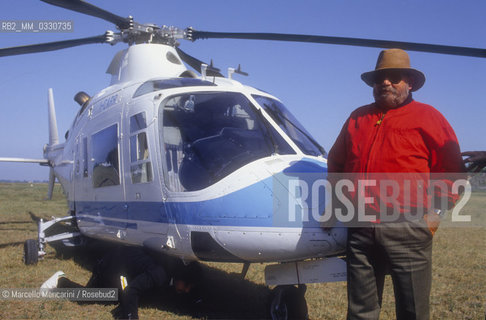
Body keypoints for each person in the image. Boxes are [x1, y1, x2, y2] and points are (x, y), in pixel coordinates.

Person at [327, 48, 465, 319]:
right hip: (361, 228)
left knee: (412, 309)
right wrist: (334, 205)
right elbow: (336, 163)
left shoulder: (429, 117)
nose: (385, 82)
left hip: (409, 227)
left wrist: (436, 213)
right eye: (380, 79)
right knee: (360, 311)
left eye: (394, 77)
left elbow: (453, 171)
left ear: (409, 83)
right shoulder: (357, 118)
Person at [43, 244, 203, 319]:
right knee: (92, 298)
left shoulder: (172, 272)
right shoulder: (160, 274)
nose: (187, 290)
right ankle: (61, 281)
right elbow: (131, 291)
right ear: (180, 277)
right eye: (187, 285)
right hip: (110, 265)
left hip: (126, 263)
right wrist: (130, 316)